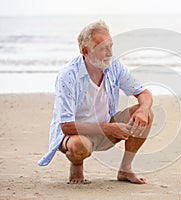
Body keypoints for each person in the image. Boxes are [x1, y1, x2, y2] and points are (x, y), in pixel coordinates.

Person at [38, 20, 153, 184]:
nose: (109, 53)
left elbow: (144, 93)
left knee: (146, 114)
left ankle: (125, 170)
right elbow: (66, 125)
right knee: (79, 146)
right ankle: (76, 166)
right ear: (86, 51)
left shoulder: (115, 66)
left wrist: (143, 109)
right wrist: (109, 128)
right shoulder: (68, 76)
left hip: (106, 129)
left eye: (110, 46)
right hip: (75, 135)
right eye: (102, 49)